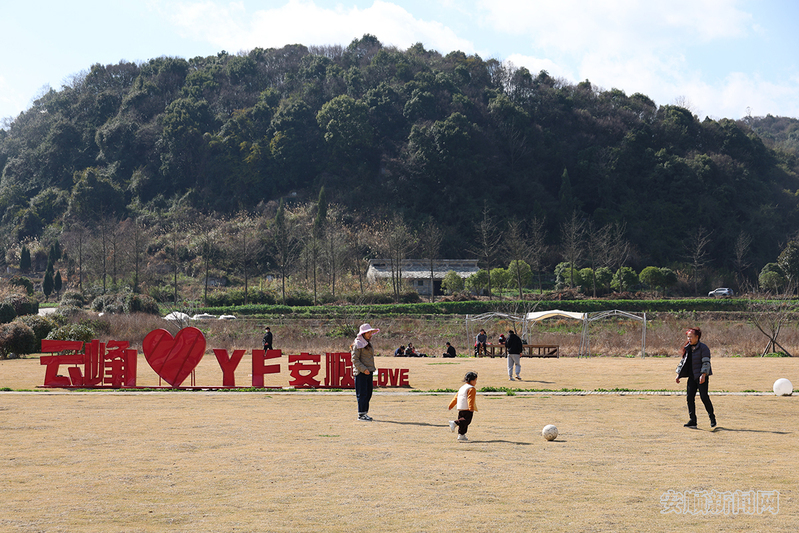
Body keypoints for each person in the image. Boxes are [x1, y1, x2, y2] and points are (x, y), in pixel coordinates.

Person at [676, 327, 716, 429]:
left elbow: (706, 362)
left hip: (702, 376)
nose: (689, 339)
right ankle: (693, 421)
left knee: (704, 397)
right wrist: (678, 374)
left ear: (697, 337)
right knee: (689, 398)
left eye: (691, 337)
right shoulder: (688, 348)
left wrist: (703, 375)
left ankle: (712, 417)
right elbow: (683, 362)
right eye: (688, 337)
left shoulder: (703, 348)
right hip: (692, 377)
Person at [351, 323, 379, 421]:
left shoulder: (367, 343)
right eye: (368, 332)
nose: (370, 334)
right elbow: (355, 359)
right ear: (363, 334)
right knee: (362, 394)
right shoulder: (357, 344)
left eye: (371, 332)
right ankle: (361, 414)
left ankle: (365, 413)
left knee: (368, 393)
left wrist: (370, 369)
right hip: (361, 373)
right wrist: (364, 369)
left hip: (369, 371)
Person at [448, 371, 478, 442]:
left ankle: (461, 435)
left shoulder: (462, 388)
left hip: (460, 407)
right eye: (475, 380)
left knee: (463, 422)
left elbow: (456, 397)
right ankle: (454, 423)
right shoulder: (471, 389)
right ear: (471, 380)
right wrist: (471, 407)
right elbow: (470, 399)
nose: (476, 382)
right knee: (466, 421)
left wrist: (451, 405)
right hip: (467, 407)